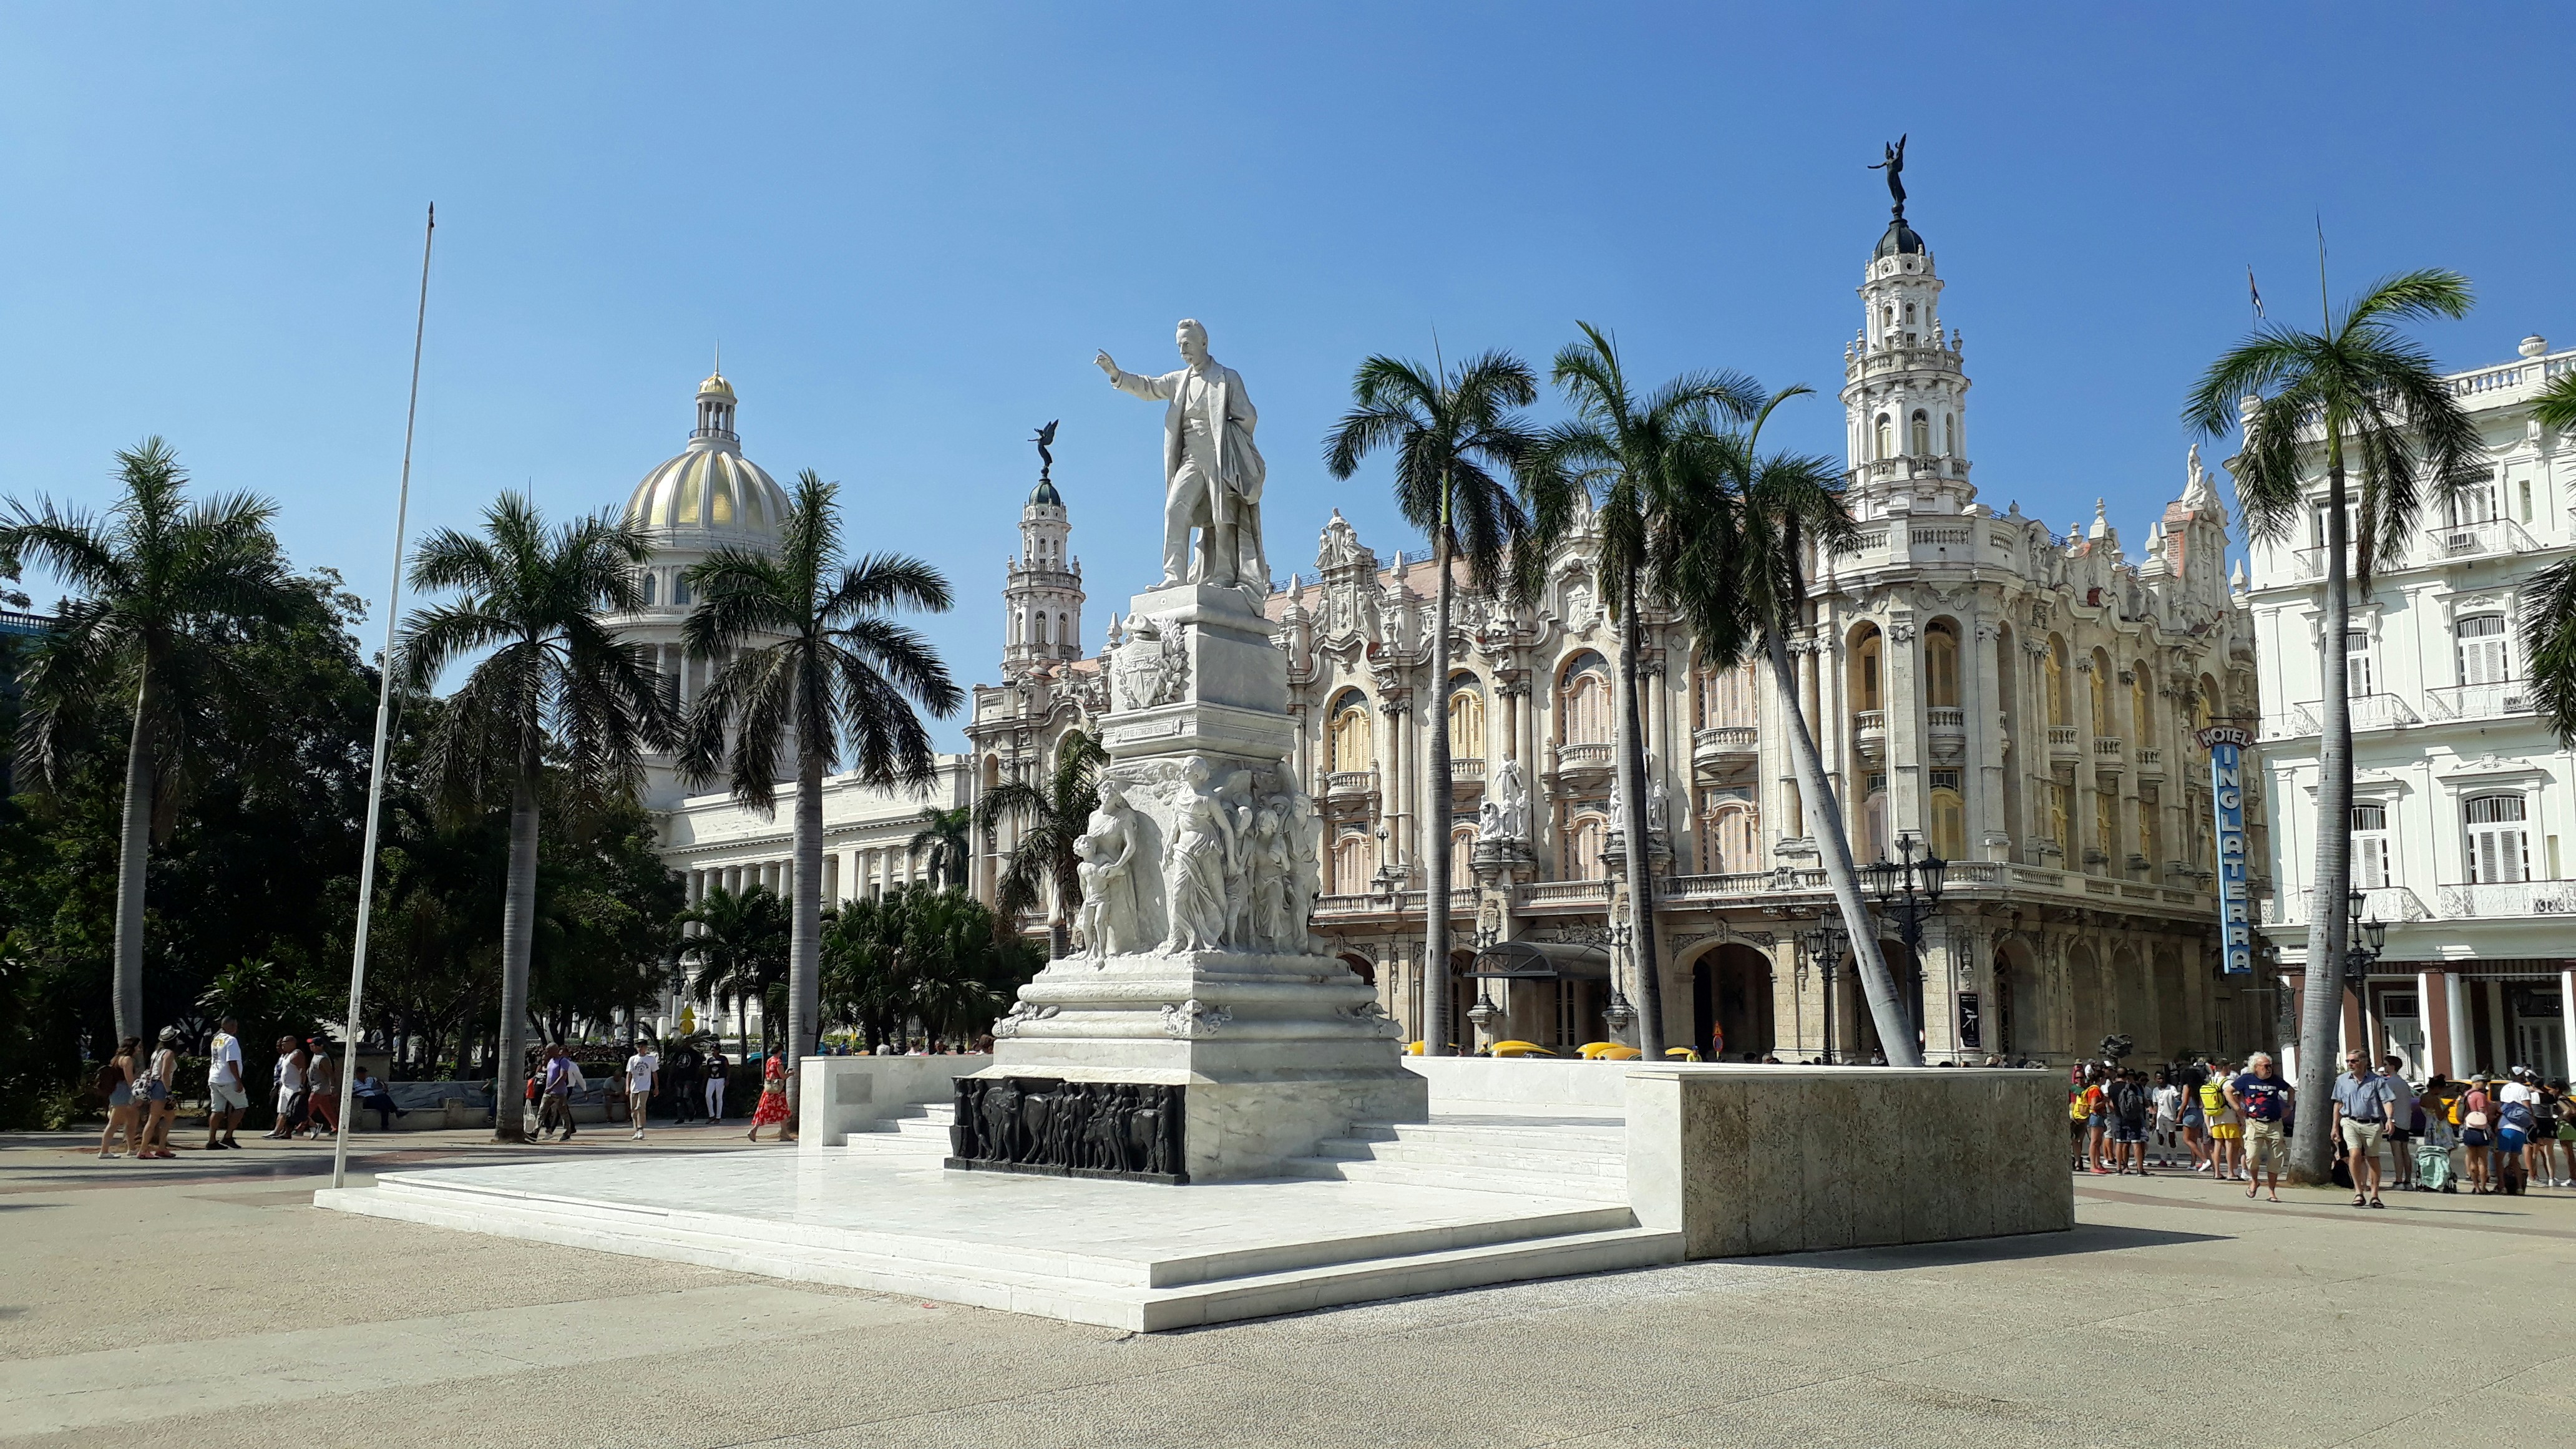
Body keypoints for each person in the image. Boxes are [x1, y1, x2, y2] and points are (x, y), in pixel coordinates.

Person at [2331, 1049, 2395, 1208]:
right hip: (2350, 1121)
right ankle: (2358, 1192)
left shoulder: (2377, 1081)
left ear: (2364, 1062)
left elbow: (2387, 1101)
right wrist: (2335, 1127)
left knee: (2372, 1158)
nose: (2350, 1064)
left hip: (2372, 1124)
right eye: (2348, 1061)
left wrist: (2389, 1120)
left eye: (2354, 1061)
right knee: (2355, 1153)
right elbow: (2338, 1104)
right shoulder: (2342, 1080)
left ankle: (2374, 1195)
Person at [2227, 1052, 2293, 1202]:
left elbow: (2291, 1090)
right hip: (2254, 1123)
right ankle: (2255, 1181)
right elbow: (2228, 1091)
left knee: (2276, 1159)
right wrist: (2237, 1108)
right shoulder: (2246, 1079)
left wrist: (2288, 1107)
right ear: (2256, 1067)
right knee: (2251, 1156)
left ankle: (2272, 1192)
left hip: (2275, 1124)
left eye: (2270, 1066)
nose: (2269, 1069)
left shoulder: (2276, 1080)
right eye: (2265, 1066)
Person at [132, 1027, 181, 1159]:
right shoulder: (169, 1054)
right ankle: (143, 1150)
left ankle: (161, 1147)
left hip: (154, 1085)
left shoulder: (157, 1053)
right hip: (161, 1086)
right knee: (153, 1119)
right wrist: (169, 1093)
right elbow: (164, 1074)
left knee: (169, 1116)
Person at [203, 1018, 247, 1149]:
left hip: (215, 1078)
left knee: (217, 1110)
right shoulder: (231, 1040)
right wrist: (238, 1081)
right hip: (228, 1079)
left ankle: (211, 1140)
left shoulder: (217, 1039)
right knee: (241, 1106)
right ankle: (228, 1136)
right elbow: (232, 1062)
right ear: (232, 1026)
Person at [95, 1037, 142, 1159]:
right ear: (132, 1047)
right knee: (114, 1123)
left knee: (132, 1120)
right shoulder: (127, 1060)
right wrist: (138, 1093)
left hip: (119, 1091)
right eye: (138, 1046)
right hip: (123, 1092)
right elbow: (129, 1079)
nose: (140, 1049)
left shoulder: (116, 1059)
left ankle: (132, 1148)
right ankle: (104, 1151)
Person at [2201, 1060, 2242, 1181]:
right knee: (2230, 1144)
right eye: (2229, 1066)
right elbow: (2235, 1099)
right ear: (2224, 1067)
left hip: (2214, 1117)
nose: (2230, 1069)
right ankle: (2230, 1172)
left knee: (2218, 1144)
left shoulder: (2212, 1080)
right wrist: (2240, 1117)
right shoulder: (2228, 1082)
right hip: (2228, 1116)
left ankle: (2217, 1172)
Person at [2458, 1074, 2497, 1194]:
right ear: (2476, 1082)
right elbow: (2483, 1112)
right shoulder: (2480, 1095)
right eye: (2483, 1082)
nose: (2485, 1084)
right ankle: (2483, 1187)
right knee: (2482, 1161)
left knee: (2472, 1160)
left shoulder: (2466, 1095)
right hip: (2481, 1130)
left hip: (2468, 1128)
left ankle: (2476, 1186)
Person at [2108, 1070, 2152, 1175]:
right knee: (2136, 1143)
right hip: (2132, 1117)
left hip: (2119, 1117)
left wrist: (2117, 1112)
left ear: (2117, 1075)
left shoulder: (2111, 1088)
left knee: (2119, 1142)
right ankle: (2140, 1169)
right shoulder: (2132, 1087)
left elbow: (2111, 1104)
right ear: (2126, 1076)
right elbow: (2138, 1102)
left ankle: (2119, 1168)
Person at [267, 1035, 310, 1139]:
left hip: (294, 1087)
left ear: (292, 1043)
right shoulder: (286, 1055)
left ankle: (277, 1131)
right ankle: (283, 1132)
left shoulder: (297, 1054)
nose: (282, 1045)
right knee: (282, 1110)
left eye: (284, 1043)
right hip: (285, 1087)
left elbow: (302, 1070)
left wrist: (302, 1086)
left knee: (289, 1111)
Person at [539, 1045, 579, 1141]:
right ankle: (535, 1132)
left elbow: (563, 1077)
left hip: (560, 1092)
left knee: (563, 1113)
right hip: (548, 1092)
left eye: (549, 1051)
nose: (547, 1053)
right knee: (541, 1112)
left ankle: (567, 1133)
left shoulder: (564, 1062)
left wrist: (552, 1087)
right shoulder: (550, 1062)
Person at [746, 1053, 790, 1142]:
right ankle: (784, 1134)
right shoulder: (778, 1062)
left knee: (764, 1111)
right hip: (777, 1091)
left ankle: (754, 1129)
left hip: (769, 1090)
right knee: (783, 1111)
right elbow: (782, 1076)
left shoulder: (770, 1061)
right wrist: (790, 1074)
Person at [623, 1039, 659, 1143]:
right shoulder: (633, 1059)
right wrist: (627, 1087)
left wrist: (656, 1087)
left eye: (642, 1046)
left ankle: (641, 1128)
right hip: (635, 1087)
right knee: (633, 1109)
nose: (640, 1048)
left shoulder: (651, 1059)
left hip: (645, 1087)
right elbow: (629, 1074)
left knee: (640, 1107)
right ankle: (637, 1130)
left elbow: (655, 1073)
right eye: (638, 1046)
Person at [351, 1066, 406, 1131]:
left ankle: (385, 1126)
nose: (364, 1075)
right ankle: (396, 1111)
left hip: (373, 1098)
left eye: (364, 1073)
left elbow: (379, 1079)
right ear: (357, 1074)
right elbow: (351, 1094)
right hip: (364, 1100)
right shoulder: (354, 1083)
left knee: (384, 1106)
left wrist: (383, 1085)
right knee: (380, 1098)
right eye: (362, 1073)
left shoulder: (369, 1080)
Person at [305, 1039, 340, 1139]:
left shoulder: (323, 1058)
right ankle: (336, 1127)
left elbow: (330, 1073)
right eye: (311, 1045)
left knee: (308, 1108)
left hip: (320, 1088)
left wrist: (332, 1086)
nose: (312, 1047)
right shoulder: (316, 1056)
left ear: (321, 1046)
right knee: (326, 1109)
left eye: (314, 1045)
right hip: (316, 1086)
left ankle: (299, 1127)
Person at [2152, 1070, 2183, 1168]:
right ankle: (2163, 1159)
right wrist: (2153, 1117)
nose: (2161, 1080)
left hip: (2170, 1117)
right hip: (2160, 1118)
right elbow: (2155, 1104)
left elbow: (2179, 1097)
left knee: (2171, 1139)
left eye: (2162, 1078)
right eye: (2159, 1079)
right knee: (2161, 1139)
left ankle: (2174, 1160)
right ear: (2155, 1079)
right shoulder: (2155, 1090)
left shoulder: (2171, 1088)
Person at [670, 1040, 702, 1125]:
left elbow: (698, 1066)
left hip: (689, 1078)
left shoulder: (694, 1053)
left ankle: (692, 1112)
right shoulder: (679, 1053)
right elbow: (674, 1064)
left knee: (686, 1096)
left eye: (687, 1042)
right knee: (679, 1098)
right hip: (679, 1078)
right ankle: (681, 1117)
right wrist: (671, 1077)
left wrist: (696, 1078)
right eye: (684, 1042)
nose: (685, 1044)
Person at [703, 1046, 729, 1123]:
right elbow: (707, 1071)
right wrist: (704, 1082)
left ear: (718, 1051)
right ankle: (712, 1115)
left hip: (720, 1079)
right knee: (708, 1096)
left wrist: (727, 1079)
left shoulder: (723, 1059)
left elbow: (728, 1069)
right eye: (711, 1050)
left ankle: (718, 1117)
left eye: (714, 1050)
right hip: (711, 1079)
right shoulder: (710, 1060)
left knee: (719, 1097)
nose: (712, 1052)